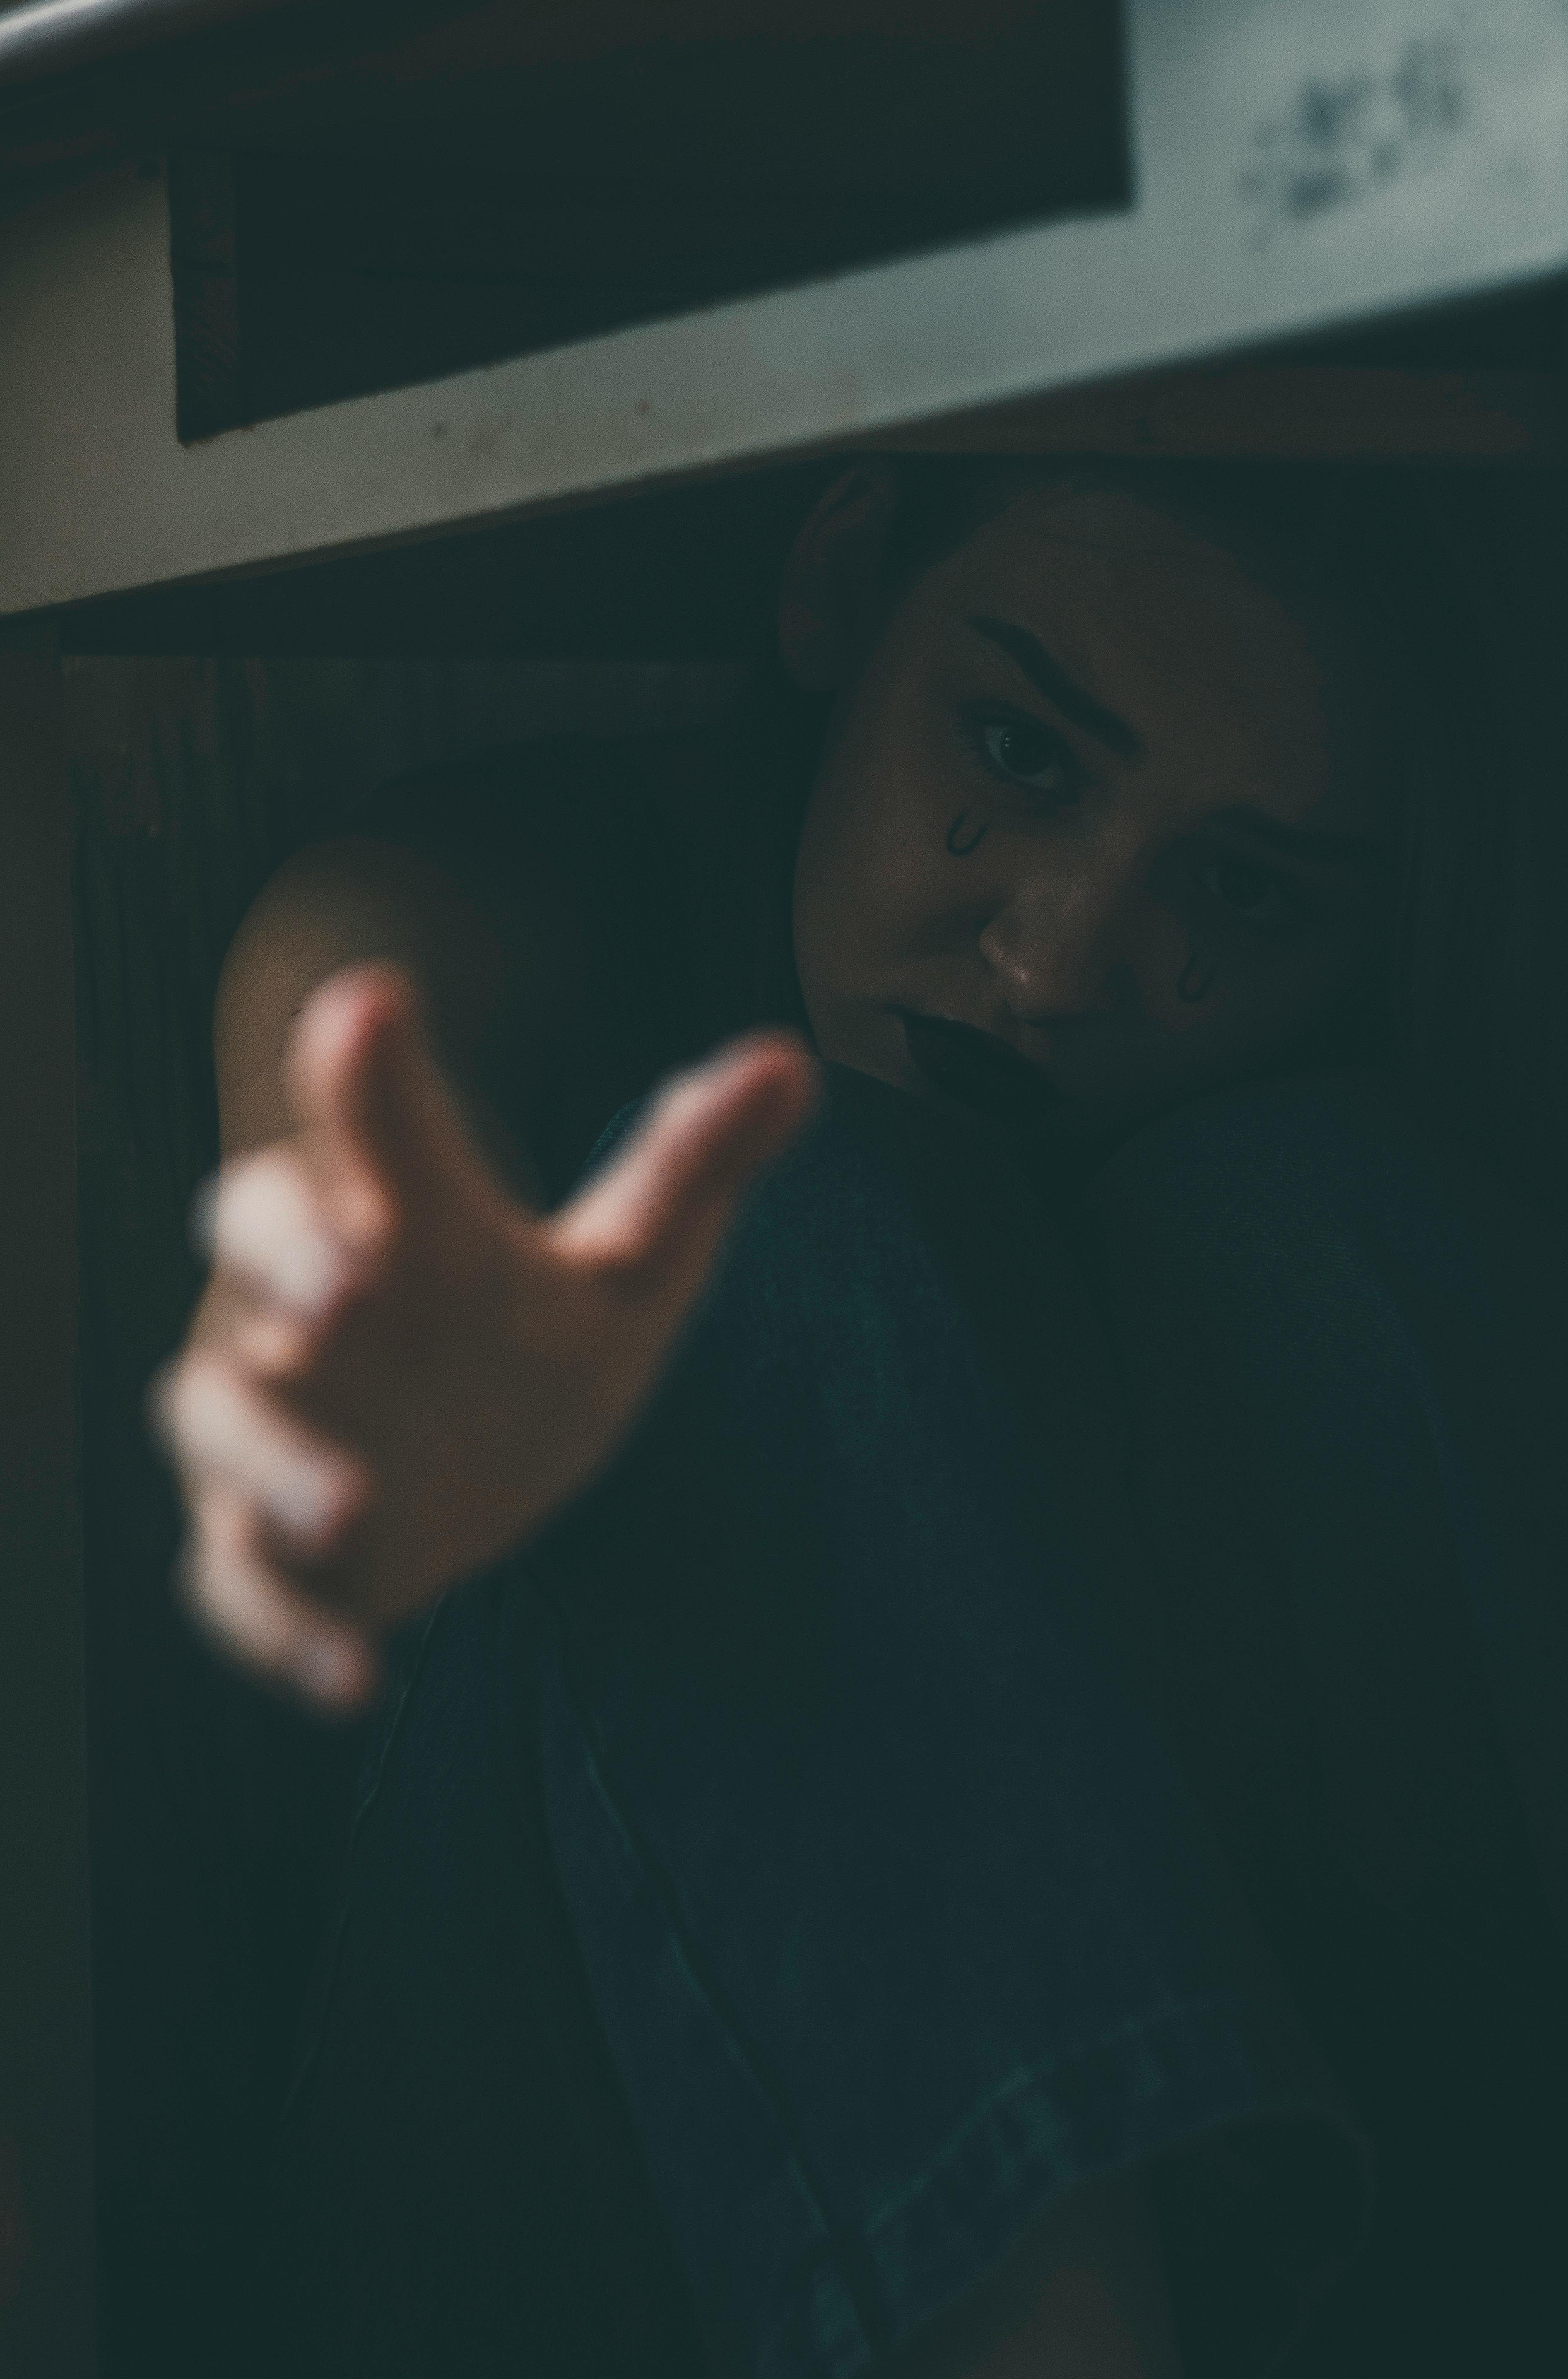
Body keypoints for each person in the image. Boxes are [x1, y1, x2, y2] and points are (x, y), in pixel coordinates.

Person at [153, 460, 1568, 2377]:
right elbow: (365, 993)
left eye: (1236, 890)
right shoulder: (585, 900)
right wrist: (366, 1283)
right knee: (768, 1199)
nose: (1055, 961)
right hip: (533, 2250)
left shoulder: (1327, 1218)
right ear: (839, 578)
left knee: (1327, 1219)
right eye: (1017, 752)